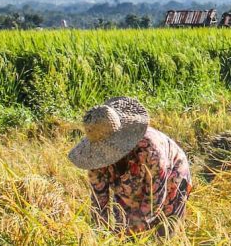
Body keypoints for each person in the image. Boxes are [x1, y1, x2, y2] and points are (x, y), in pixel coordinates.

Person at [68, 97, 192, 236]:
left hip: (171, 176)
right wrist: (101, 234)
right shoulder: (95, 159)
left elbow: (155, 200)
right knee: (123, 222)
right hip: (130, 185)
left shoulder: (150, 150)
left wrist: (129, 232)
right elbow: (99, 202)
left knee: (164, 232)